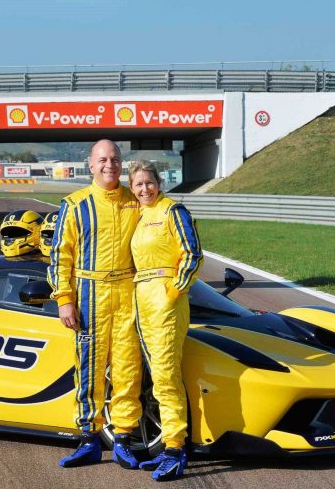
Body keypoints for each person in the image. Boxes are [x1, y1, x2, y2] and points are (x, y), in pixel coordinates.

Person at [47, 140, 143, 469]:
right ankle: (88, 439)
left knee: (128, 370)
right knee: (88, 370)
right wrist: (64, 300)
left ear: (122, 164)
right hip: (89, 293)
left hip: (128, 293)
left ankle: (124, 439)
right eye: (102, 160)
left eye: (115, 159)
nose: (109, 165)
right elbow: (60, 256)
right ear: (90, 165)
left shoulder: (136, 201)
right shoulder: (74, 204)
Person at [128, 160, 203, 482]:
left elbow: (193, 253)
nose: (145, 189)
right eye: (138, 184)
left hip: (165, 298)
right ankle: (165, 447)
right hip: (139, 298)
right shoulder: (137, 215)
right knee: (149, 374)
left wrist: (173, 291)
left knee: (165, 376)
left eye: (149, 182)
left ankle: (175, 449)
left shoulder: (173, 210)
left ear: (159, 182)